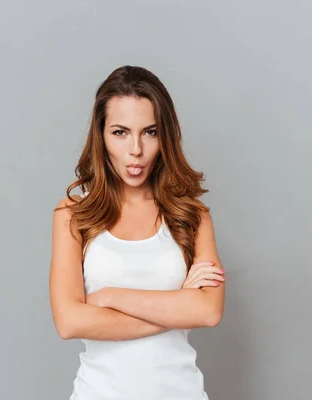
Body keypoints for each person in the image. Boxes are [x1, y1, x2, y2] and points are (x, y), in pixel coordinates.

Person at [49, 65, 226, 400]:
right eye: (120, 132)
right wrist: (178, 308)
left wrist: (108, 298)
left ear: (165, 137)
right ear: (101, 136)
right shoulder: (73, 214)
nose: (136, 150)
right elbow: (69, 321)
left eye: (150, 132)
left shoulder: (192, 216)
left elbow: (208, 312)